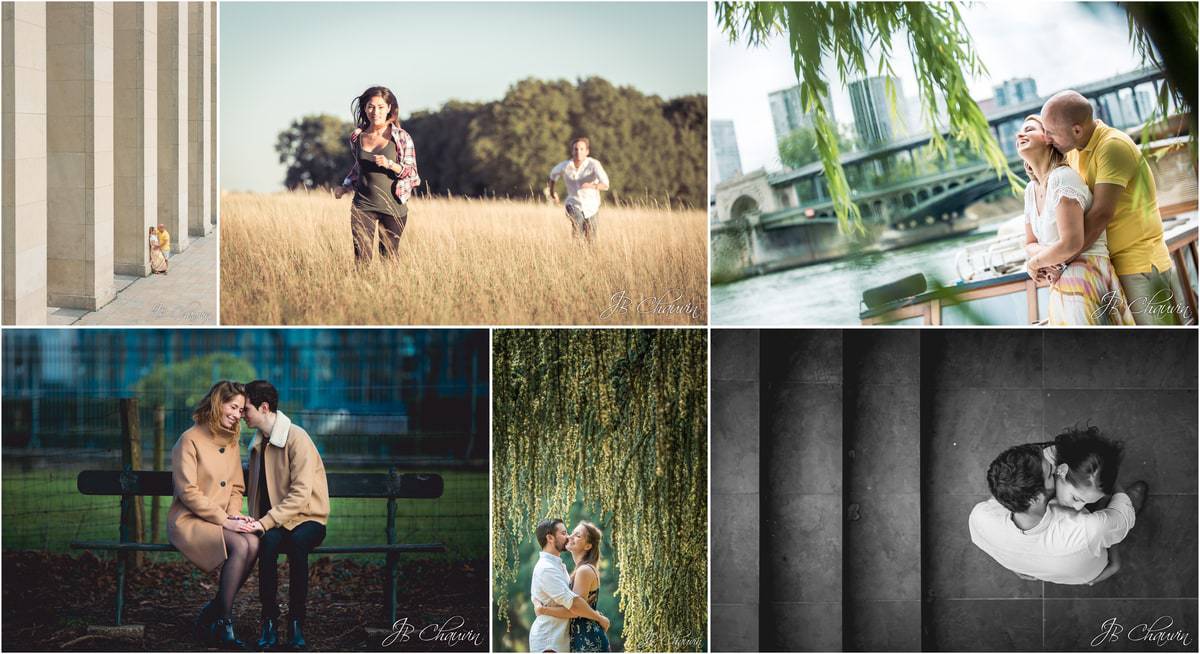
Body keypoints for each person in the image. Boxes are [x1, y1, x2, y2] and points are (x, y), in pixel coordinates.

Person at [1040, 90, 1191, 324]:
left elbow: (1101, 213)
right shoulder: (1074, 152)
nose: (1047, 139)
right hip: (1111, 267)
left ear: (1077, 130)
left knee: (1162, 346)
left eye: (1050, 133)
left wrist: (1060, 260)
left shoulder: (1112, 146)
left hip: (1138, 266)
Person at [968, 439, 1147, 586]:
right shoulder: (1087, 529)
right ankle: (1111, 507)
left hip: (1052, 571)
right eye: (1050, 473)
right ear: (1036, 498)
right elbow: (1122, 518)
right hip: (1090, 569)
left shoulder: (979, 516)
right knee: (1111, 522)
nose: (1056, 469)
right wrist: (1104, 477)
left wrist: (1017, 566)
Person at [167, 381, 259, 649]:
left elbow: (236, 487)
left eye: (242, 410)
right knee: (241, 545)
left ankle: (214, 612)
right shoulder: (189, 440)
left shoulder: (230, 441)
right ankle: (224, 621)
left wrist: (234, 516)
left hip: (220, 518)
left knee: (253, 541)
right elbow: (188, 493)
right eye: (233, 406)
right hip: (190, 520)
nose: (237, 414)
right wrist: (225, 520)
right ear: (218, 403)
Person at [1016, 115, 1133, 324]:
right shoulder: (1029, 190)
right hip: (1060, 282)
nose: (1020, 134)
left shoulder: (1063, 178)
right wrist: (1046, 261)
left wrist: (1036, 262)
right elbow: (1030, 242)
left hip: (1085, 275)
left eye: (1029, 129)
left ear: (1048, 138)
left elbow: (1071, 242)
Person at [242, 380, 330, 652]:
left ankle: (296, 624)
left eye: (246, 409)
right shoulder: (257, 445)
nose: (242, 414)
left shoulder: (297, 438)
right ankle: (268, 622)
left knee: (296, 544)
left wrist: (264, 522)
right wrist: (253, 521)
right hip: (277, 522)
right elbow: (257, 493)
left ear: (264, 407)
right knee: (266, 544)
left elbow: (301, 494)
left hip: (309, 519)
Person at [334, 86, 420, 265]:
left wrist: (391, 165)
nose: (375, 111)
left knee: (388, 259)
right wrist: (345, 186)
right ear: (365, 109)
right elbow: (359, 167)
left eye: (381, 107)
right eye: (371, 106)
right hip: (363, 205)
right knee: (361, 259)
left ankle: (388, 292)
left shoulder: (401, 137)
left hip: (394, 207)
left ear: (389, 108)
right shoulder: (357, 136)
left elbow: (413, 173)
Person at [529, 519, 610, 653]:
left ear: (588, 546)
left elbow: (576, 606)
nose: (568, 537)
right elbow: (575, 605)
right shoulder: (547, 568)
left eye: (575, 535)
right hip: (550, 639)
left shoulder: (562, 566)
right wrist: (599, 618)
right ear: (550, 538)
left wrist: (543, 610)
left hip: (570, 638)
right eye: (564, 533)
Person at [545, 137, 610, 242]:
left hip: (592, 206)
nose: (578, 152)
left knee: (591, 239)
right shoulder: (565, 166)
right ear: (572, 151)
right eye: (575, 149)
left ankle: (588, 256)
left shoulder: (594, 164)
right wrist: (553, 194)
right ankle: (576, 251)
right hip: (572, 204)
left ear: (587, 151)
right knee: (578, 222)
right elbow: (552, 176)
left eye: (581, 149)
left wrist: (593, 186)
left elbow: (606, 184)